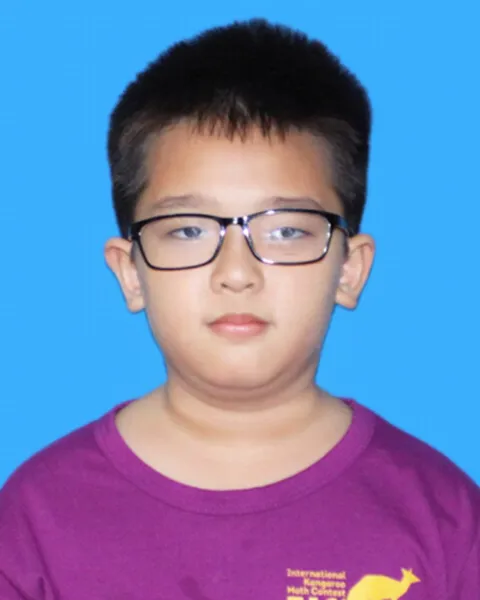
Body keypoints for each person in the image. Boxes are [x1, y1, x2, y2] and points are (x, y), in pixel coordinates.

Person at [0, 18, 478, 600]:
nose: (236, 273)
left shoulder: (443, 515)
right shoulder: (36, 517)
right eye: (188, 230)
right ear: (130, 273)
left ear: (350, 269)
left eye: (286, 231)